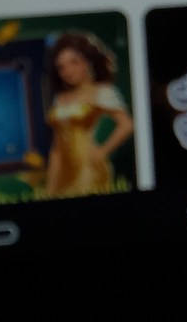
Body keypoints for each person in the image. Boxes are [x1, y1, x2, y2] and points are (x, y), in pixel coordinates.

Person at [42, 31, 132, 197]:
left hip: (88, 168)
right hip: (62, 170)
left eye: (74, 62)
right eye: (61, 67)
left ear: (88, 62)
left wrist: (102, 152)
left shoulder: (102, 92)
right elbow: (57, 147)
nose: (68, 71)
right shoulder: (60, 98)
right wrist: (51, 184)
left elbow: (126, 125)